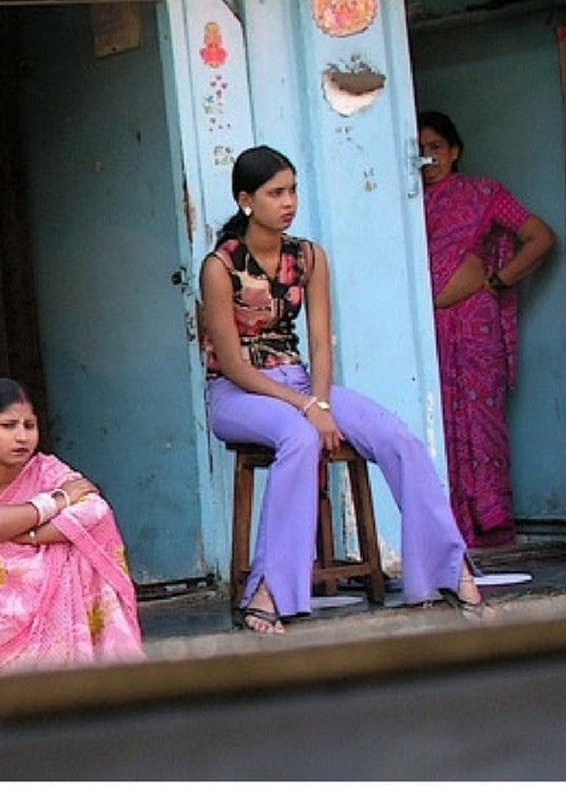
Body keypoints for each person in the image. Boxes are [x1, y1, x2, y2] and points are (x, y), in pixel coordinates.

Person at [200, 145, 489, 634]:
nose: (288, 202)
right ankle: (269, 589)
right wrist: (307, 407)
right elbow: (231, 364)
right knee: (300, 437)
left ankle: (449, 570)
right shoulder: (220, 265)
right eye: (275, 193)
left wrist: (322, 399)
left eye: (292, 190)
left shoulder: (309, 256)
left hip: (300, 382)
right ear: (247, 200)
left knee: (398, 438)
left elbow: (320, 341)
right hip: (238, 393)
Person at [0, 377, 144, 673]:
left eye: (29, 426)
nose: (22, 437)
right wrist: (56, 501)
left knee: (80, 547)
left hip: (51, 607)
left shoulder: (47, 470)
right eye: (8, 426)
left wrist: (28, 536)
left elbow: (96, 511)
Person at [417, 110, 555, 549]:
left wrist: (497, 280)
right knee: (434, 427)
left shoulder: (483, 193)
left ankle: (491, 529)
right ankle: (448, 534)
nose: (428, 158)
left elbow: (540, 237)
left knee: (482, 423)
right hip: (427, 334)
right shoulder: (399, 204)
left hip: (476, 333)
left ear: (455, 151)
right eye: (419, 151)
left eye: (436, 147)